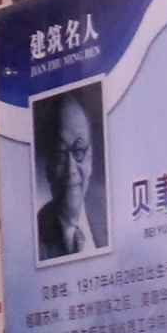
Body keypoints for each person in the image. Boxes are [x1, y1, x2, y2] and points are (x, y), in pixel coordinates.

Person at [35, 88, 106, 260]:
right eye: (60, 153)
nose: (70, 169)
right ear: (47, 164)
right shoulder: (34, 235)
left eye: (79, 150)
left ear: (91, 156)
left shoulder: (108, 210)